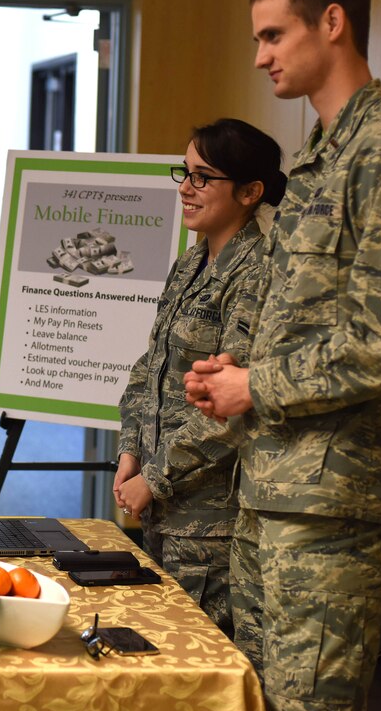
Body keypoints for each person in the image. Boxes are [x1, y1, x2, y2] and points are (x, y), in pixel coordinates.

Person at [184, 0, 381, 711]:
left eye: (274, 34)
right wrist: (236, 372)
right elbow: (309, 318)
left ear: (332, 23)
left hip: (333, 503)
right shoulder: (316, 158)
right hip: (274, 488)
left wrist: (255, 386)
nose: (261, 55)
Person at [114, 118, 286, 637]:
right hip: (162, 507)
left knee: (189, 663)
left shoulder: (257, 274)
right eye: (184, 173)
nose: (186, 189)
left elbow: (230, 408)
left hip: (210, 523)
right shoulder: (191, 264)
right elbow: (151, 368)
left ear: (250, 192)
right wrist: (130, 454)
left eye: (203, 177)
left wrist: (154, 477)